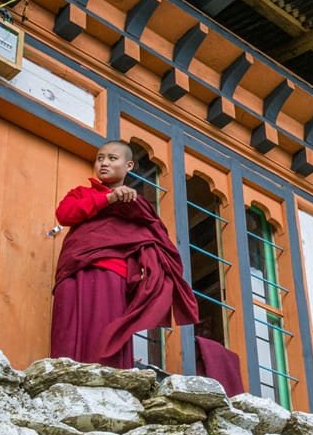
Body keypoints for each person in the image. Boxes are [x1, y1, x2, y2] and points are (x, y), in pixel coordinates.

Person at [50, 140, 201, 368]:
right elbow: (64, 214)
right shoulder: (82, 193)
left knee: (105, 333)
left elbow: (153, 241)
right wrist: (108, 198)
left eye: (112, 158)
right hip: (73, 268)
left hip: (112, 273)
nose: (104, 163)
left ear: (128, 165)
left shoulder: (136, 205)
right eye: (100, 158)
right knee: (67, 328)